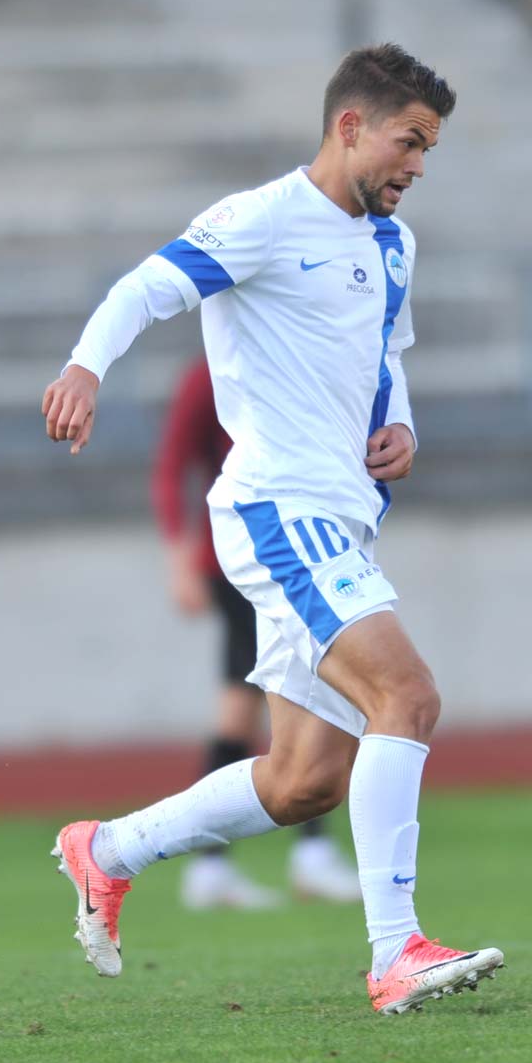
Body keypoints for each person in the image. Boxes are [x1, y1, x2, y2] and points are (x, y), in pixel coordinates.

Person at [41, 43, 504, 1015]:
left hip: (342, 514)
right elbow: (145, 287)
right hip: (277, 509)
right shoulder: (260, 219)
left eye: (428, 149)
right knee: (407, 696)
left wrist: (402, 426)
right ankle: (395, 953)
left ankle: (107, 850)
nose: (418, 165)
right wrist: (85, 366)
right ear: (350, 126)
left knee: (303, 782)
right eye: (409, 142)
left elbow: (385, 355)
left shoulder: (393, 245)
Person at [153, 355, 362, 907]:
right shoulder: (209, 374)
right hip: (248, 557)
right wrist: (179, 560)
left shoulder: (289, 357)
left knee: (247, 709)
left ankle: (216, 867)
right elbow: (173, 465)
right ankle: (303, 856)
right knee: (300, 699)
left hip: (282, 552)